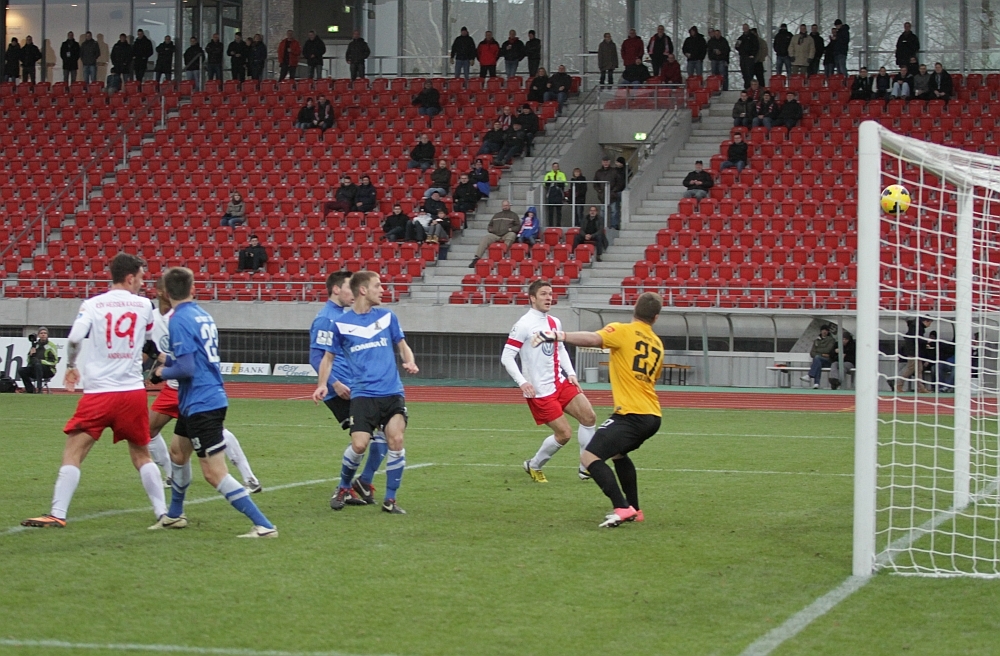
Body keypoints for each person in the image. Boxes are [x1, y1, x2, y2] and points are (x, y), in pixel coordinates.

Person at [21, 253, 167, 529]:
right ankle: (163, 513)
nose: (142, 283)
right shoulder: (145, 305)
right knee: (141, 454)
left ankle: (58, 513)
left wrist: (71, 365)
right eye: (141, 278)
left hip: (100, 393)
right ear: (130, 278)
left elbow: (76, 337)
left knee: (74, 451)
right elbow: (149, 343)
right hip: (132, 393)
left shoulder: (93, 304)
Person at [150, 267, 276, 537]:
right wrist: (165, 360)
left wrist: (162, 373)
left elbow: (187, 368)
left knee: (213, 473)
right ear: (193, 289)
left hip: (202, 401)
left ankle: (264, 525)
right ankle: (174, 515)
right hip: (198, 399)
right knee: (178, 453)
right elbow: (193, 359)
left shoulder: (178, 319)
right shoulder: (202, 315)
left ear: (166, 293)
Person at [529, 292, 664, 527]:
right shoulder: (658, 344)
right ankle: (635, 509)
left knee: (589, 456)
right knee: (618, 454)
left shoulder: (623, 330)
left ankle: (622, 508)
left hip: (631, 414)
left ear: (634, 309)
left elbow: (593, 339)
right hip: (653, 414)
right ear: (656, 318)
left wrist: (558, 336)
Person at [311, 271, 418, 514]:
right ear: (363, 290)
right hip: (363, 394)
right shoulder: (340, 324)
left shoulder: (387, 317)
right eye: (377, 286)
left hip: (391, 392)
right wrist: (323, 384)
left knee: (395, 440)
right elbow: (327, 358)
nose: (382, 290)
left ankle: (390, 500)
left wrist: (409, 361)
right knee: (359, 445)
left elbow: (403, 345)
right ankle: (343, 486)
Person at [146, 277, 261, 493]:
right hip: (173, 388)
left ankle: (249, 478)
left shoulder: (181, 318)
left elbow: (187, 362)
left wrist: (164, 370)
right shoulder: (152, 318)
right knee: (148, 430)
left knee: (216, 437)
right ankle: (171, 475)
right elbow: (154, 348)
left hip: (192, 387)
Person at [503, 280, 598, 484]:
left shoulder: (554, 322)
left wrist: (570, 373)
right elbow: (507, 357)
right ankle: (534, 464)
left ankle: (586, 467)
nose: (549, 298)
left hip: (560, 382)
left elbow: (560, 348)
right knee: (564, 434)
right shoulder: (523, 325)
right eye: (544, 294)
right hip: (540, 391)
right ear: (532, 298)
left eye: (550, 294)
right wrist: (522, 382)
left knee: (589, 417)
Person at [309, 271, 389, 508]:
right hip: (341, 390)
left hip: (357, 387)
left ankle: (362, 482)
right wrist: (334, 383)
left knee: (384, 433)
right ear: (336, 289)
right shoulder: (326, 319)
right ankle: (347, 486)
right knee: (366, 438)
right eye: (348, 287)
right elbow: (316, 357)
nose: (353, 292)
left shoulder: (344, 316)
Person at [470, 200, 520, 267]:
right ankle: (477, 258)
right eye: (504, 205)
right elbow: (490, 225)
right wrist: (491, 230)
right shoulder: (497, 215)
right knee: (486, 238)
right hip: (495, 235)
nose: (505, 207)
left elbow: (518, 226)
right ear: (502, 206)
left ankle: (503, 253)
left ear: (509, 206)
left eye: (506, 205)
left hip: (506, 234)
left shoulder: (514, 215)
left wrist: (510, 229)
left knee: (512, 235)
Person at [18, 327, 58, 394]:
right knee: (21, 370)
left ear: (47, 335)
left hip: (49, 370)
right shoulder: (35, 345)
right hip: (35, 368)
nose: (43, 335)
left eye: (45, 333)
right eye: (41, 333)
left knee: (38, 365)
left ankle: (39, 389)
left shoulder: (51, 346)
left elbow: (54, 361)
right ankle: (30, 389)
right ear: (38, 335)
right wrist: (31, 355)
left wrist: (41, 361)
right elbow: (29, 360)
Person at [801, 324, 837, 389]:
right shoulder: (816, 340)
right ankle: (816, 384)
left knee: (817, 358)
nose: (824, 331)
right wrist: (821, 354)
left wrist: (817, 351)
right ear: (820, 331)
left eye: (826, 330)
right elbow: (812, 353)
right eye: (823, 330)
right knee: (818, 362)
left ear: (828, 332)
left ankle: (810, 376)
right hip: (820, 360)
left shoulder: (831, 340)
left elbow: (828, 350)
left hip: (828, 361)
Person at [593, 156, 623, 230]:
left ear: (609, 162)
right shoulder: (598, 172)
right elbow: (595, 183)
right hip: (602, 196)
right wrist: (599, 190)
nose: (605, 163)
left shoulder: (614, 171)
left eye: (607, 162)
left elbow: (619, 182)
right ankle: (601, 227)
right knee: (602, 212)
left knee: (614, 211)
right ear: (602, 162)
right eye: (604, 162)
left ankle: (614, 226)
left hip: (612, 195)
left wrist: (614, 191)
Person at [543, 162, 567, 227]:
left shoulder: (562, 174)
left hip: (559, 193)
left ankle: (558, 225)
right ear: (552, 167)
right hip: (551, 194)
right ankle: (550, 225)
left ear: (558, 167)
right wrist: (549, 181)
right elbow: (544, 184)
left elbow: (565, 183)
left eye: (557, 166)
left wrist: (558, 182)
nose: (555, 168)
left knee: (559, 211)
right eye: (554, 166)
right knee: (550, 211)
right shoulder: (548, 174)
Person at [734, 24, 758, 89]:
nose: (745, 29)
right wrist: (741, 51)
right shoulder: (741, 38)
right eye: (744, 28)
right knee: (744, 73)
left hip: (750, 58)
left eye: (746, 27)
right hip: (743, 58)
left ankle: (750, 87)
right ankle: (746, 87)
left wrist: (753, 55)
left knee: (750, 73)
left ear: (748, 28)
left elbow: (756, 47)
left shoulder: (753, 37)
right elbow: (736, 46)